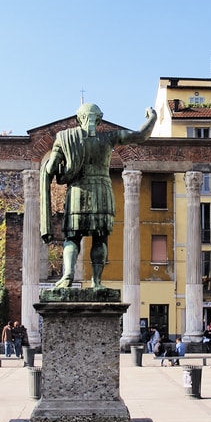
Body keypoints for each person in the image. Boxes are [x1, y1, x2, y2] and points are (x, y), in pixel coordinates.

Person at [40, 102, 156, 289]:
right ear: (99, 119)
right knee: (100, 238)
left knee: (72, 237)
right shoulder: (108, 138)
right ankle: (97, 282)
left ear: (79, 119)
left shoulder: (64, 138)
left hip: (78, 191)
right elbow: (141, 135)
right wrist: (153, 117)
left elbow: (51, 169)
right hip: (102, 190)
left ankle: (68, 275)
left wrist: (57, 169)